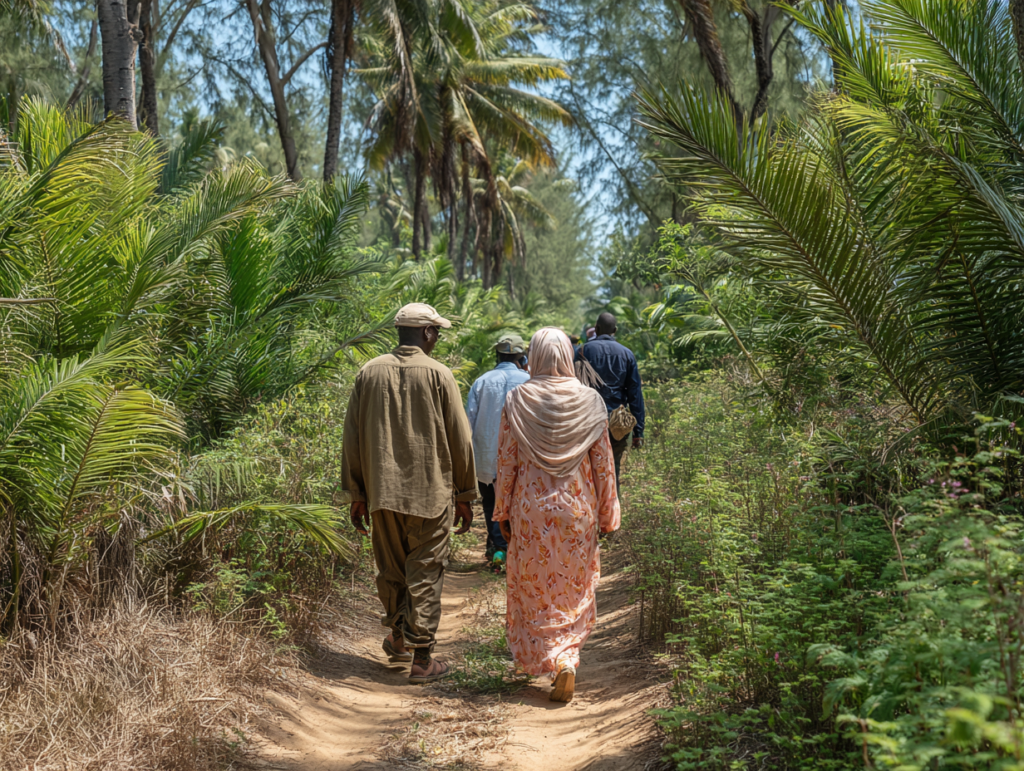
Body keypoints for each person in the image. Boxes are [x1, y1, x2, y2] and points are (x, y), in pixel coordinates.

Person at [341, 302, 477, 684]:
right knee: (426, 572)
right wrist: (465, 495)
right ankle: (421, 658)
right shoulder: (439, 375)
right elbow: (460, 438)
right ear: (428, 334)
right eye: (438, 332)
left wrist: (356, 493)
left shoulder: (368, 372)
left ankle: (398, 638)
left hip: (382, 494)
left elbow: (351, 437)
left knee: (392, 570)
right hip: (430, 494)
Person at [493, 328, 621, 703]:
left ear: (533, 356)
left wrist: (502, 510)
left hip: (531, 511)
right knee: (572, 587)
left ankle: (548, 656)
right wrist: (608, 513)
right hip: (577, 511)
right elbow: (604, 465)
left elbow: (506, 461)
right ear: (567, 355)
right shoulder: (591, 402)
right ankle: (567, 657)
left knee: (535, 588)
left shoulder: (517, 399)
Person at [465, 334, 530, 565]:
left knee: (491, 503)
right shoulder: (530, 380)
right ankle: (515, 550)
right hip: (521, 459)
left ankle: (497, 550)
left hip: (486, 459)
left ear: (497, 355)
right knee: (518, 504)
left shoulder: (481, 381)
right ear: (522, 357)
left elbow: (468, 423)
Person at [574, 312, 646, 486]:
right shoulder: (627, 354)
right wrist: (638, 432)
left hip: (587, 422)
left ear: (596, 329)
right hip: (617, 425)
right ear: (615, 330)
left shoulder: (582, 351)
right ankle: (613, 511)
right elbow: (635, 395)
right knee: (613, 474)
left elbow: (572, 388)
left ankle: (592, 511)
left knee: (587, 475)